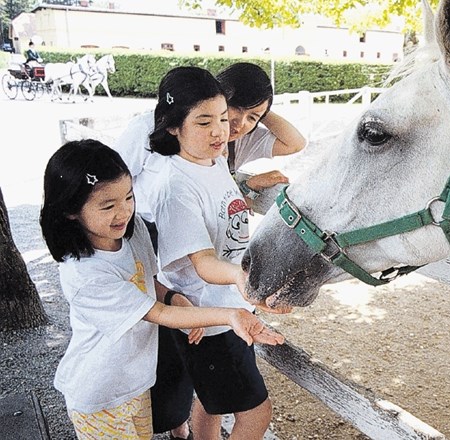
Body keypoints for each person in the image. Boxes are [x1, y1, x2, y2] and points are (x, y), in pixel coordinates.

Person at [39, 139, 284, 440]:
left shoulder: (132, 231)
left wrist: (174, 295)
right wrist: (230, 315)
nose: (123, 212)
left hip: (136, 381)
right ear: (69, 210)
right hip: (100, 393)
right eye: (108, 205)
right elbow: (157, 313)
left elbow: (147, 285)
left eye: (128, 197)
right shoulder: (85, 273)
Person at [112, 62, 305, 439]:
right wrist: (245, 280)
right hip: (209, 315)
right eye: (205, 121)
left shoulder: (215, 159)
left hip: (228, 306)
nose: (222, 130)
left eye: (222, 117)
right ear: (172, 125)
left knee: (209, 401)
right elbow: (202, 263)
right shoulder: (174, 182)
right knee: (256, 414)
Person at [112, 61, 306, 251]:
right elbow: (113, 180)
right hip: (148, 233)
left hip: (205, 237)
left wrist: (262, 106)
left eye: (252, 118)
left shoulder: (239, 139)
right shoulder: (148, 127)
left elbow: (295, 143)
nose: (240, 123)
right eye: (235, 109)